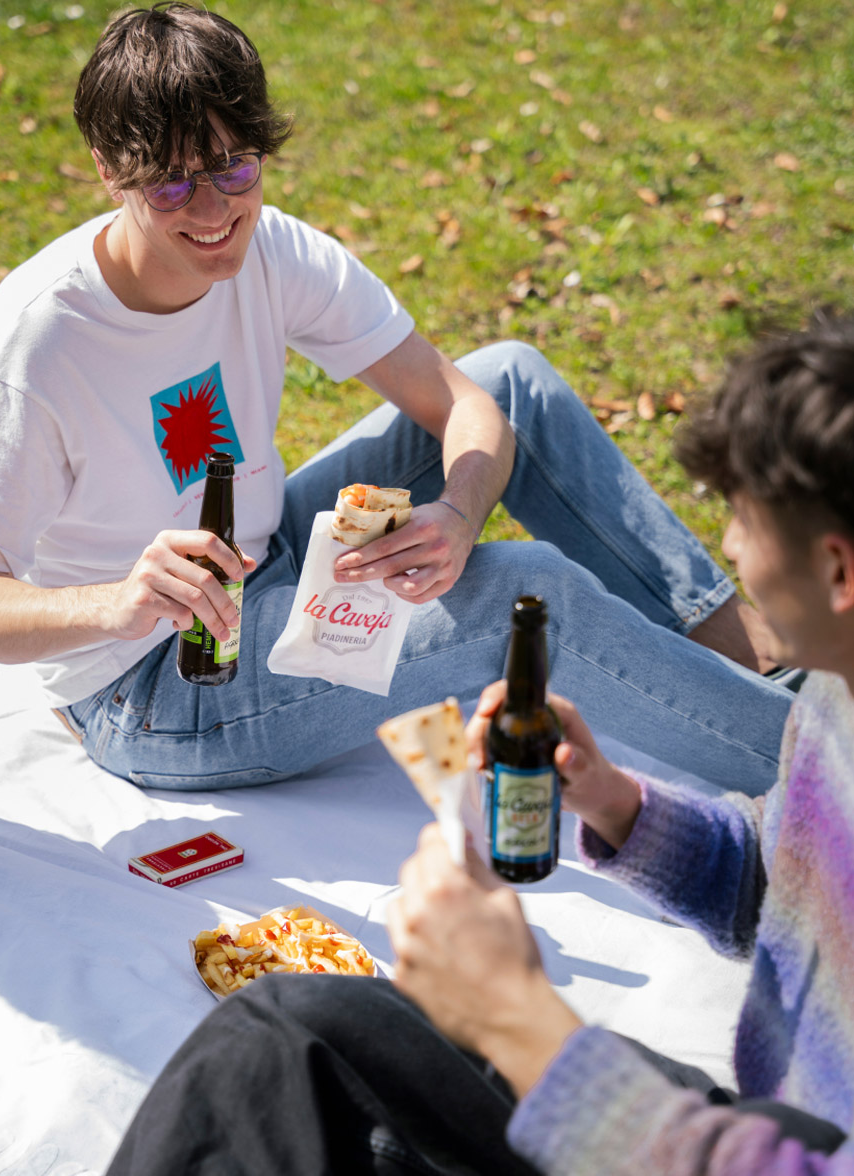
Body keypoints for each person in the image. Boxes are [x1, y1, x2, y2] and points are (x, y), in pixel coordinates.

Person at [0, 3, 792, 793]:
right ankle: (813, 771)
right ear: (111, 171)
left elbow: (466, 403)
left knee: (511, 377)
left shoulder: (269, 249)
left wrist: (458, 513)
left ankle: (756, 654)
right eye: (172, 184)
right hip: (153, 686)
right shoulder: (33, 348)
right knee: (529, 596)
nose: (214, 209)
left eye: (235, 167)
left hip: (265, 558)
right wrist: (115, 603)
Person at [102, 310, 854, 1175]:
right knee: (292, 1029)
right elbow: (793, 884)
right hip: (759, 1118)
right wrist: (622, 805)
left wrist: (519, 1019)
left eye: (747, 524)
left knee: (271, 1060)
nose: (727, 546)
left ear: (837, 570)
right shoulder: (835, 704)